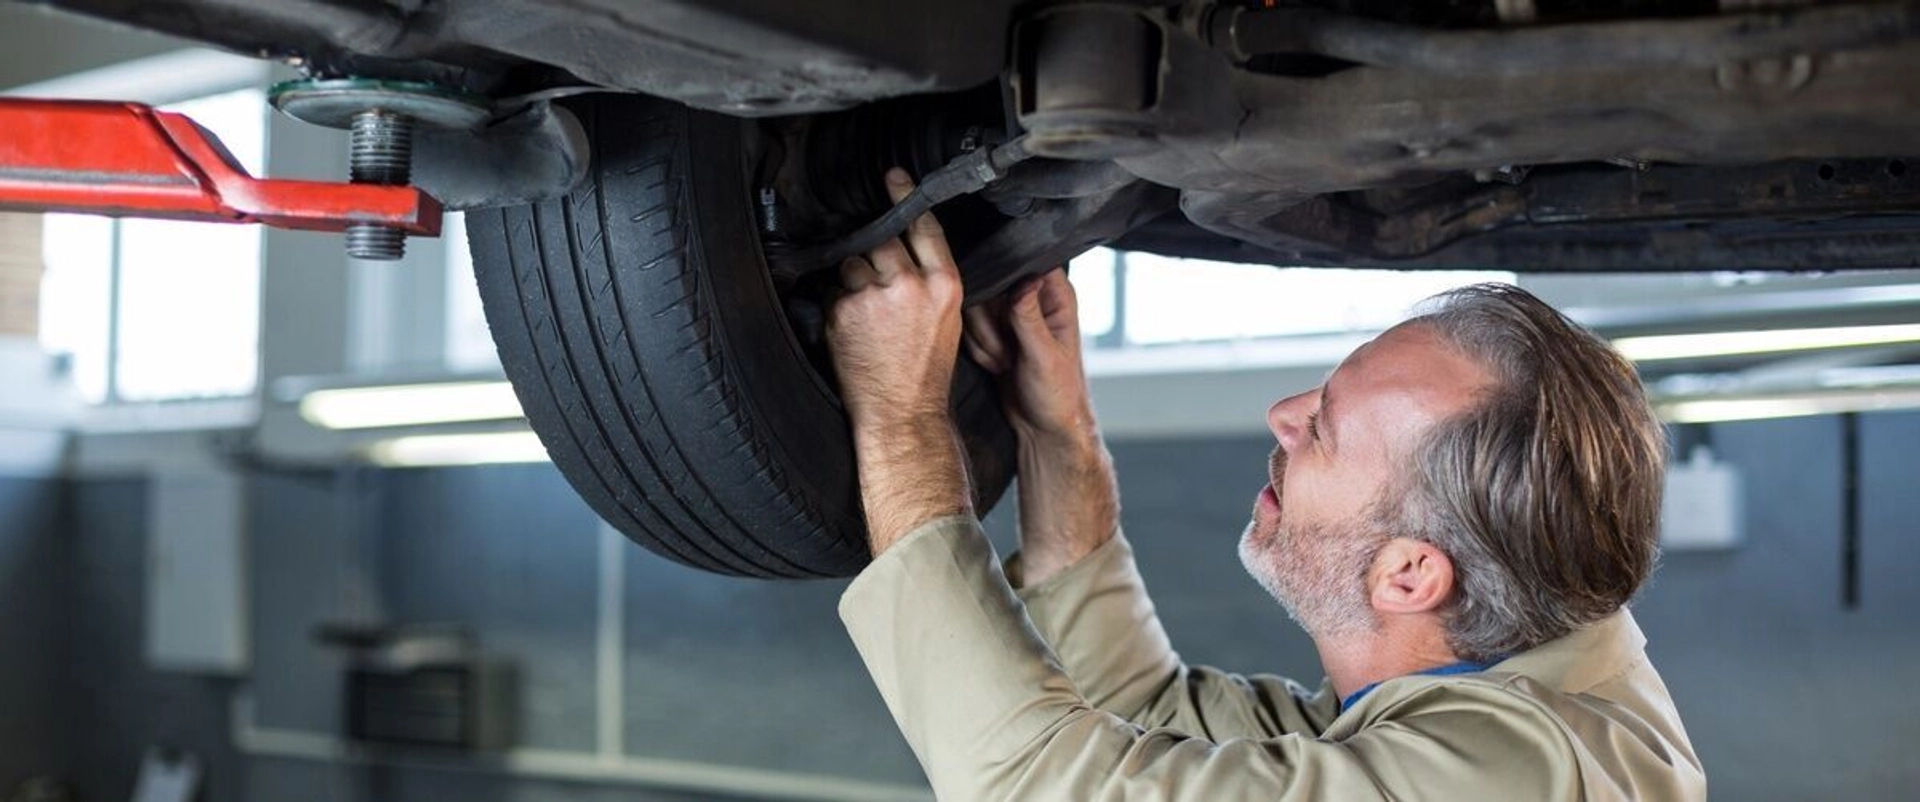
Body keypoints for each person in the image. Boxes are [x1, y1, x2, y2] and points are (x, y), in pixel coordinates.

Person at [827, 169, 1704, 800]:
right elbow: (1145, 717)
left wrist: (900, 414)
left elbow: (1040, 787)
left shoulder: (1512, 780)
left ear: (1408, 575)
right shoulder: (1529, 652)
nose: (1283, 415)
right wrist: (1059, 434)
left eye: (1323, 430)